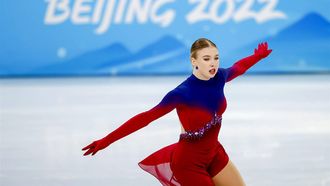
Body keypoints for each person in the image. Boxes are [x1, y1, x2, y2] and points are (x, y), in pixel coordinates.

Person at [82, 38, 272, 186]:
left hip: (214, 152)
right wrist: (106, 141)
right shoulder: (182, 93)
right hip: (189, 164)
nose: (213, 63)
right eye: (206, 59)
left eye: (216, 58)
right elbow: (146, 118)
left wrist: (258, 57)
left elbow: (238, 68)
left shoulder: (220, 77)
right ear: (194, 61)